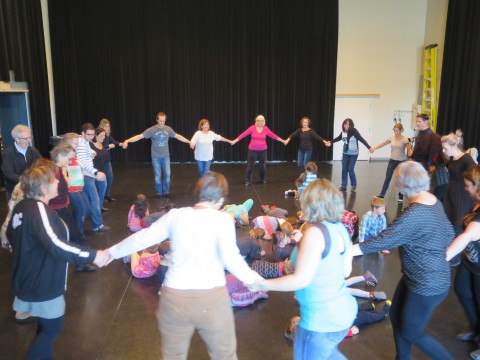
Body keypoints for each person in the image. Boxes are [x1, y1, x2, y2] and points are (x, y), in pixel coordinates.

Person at [106, 172, 263, 359]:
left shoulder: (175, 215)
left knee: (174, 355)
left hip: (174, 298)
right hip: (211, 298)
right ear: (221, 198)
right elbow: (232, 259)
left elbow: (142, 238)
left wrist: (110, 253)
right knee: (225, 355)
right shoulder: (223, 220)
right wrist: (253, 280)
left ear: (198, 193)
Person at [352, 161, 454, 360]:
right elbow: (449, 234)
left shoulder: (413, 214)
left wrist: (349, 250)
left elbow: (385, 239)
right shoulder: (433, 201)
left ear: (401, 186)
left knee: (412, 330)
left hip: (428, 283)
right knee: (398, 317)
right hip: (416, 276)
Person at [7, 164, 109, 360]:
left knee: (46, 327)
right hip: (42, 281)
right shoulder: (39, 209)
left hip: (27, 277)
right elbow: (56, 243)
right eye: (53, 179)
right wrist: (92, 255)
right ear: (43, 187)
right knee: (53, 328)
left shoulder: (22, 207)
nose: (57, 181)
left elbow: (12, 237)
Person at [250, 178, 357, 359]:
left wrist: (263, 284)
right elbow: (345, 271)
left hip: (320, 321)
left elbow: (301, 279)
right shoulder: (340, 229)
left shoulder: (314, 233)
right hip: (343, 314)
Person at [445, 165, 480, 360]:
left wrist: (444, 257)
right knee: (463, 290)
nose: (465, 188)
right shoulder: (474, 202)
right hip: (470, 261)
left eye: (468, 185)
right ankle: (475, 329)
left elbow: (467, 236)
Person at [123, 112, 193, 198]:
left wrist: (189, 141)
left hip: (166, 156)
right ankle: (159, 193)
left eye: (164, 121)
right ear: (157, 120)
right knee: (157, 176)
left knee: (168, 174)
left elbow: (177, 136)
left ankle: (166, 192)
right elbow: (139, 136)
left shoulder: (168, 129)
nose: (162, 123)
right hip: (156, 157)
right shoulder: (151, 130)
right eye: (160, 121)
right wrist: (127, 140)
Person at [231, 115, 287, 186]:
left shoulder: (266, 129)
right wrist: (235, 141)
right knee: (250, 166)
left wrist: (283, 141)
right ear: (256, 121)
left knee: (263, 166)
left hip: (263, 150)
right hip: (252, 150)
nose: (259, 122)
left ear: (263, 121)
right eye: (258, 120)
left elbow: (274, 136)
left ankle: (262, 179)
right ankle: (248, 181)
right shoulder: (252, 128)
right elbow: (243, 134)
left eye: (261, 120)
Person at [76, 124, 110, 232]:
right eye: (89, 135)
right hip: (86, 175)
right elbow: (83, 164)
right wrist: (96, 173)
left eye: (92, 134)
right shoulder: (80, 144)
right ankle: (97, 225)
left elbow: (86, 154)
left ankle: (92, 217)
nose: (91, 137)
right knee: (93, 200)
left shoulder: (86, 142)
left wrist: (92, 152)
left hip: (89, 173)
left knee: (89, 201)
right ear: (82, 134)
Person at [441, 132, 476, 235]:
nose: (444, 151)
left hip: (461, 198)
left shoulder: (466, 159)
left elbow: (476, 173)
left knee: (458, 227)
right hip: (451, 194)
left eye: (445, 148)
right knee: (447, 223)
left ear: (455, 146)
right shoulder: (452, 157)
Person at [328, 118, 373, 192]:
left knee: (350, 169)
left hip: (354, 154)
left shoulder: (354, 131)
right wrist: (330, 142)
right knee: (344, 169)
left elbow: (361, 139)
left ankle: (353, 185)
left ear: (351, 125)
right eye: (345, 124)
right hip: (345, 153)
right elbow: (338, 138)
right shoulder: (343, 132)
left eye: (348, 124)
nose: (346, 126)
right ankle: (344, 186)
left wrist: (369, 147)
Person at [372, 123, 412, 202]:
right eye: (394, 130)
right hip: (392, 161)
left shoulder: (404, 139)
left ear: (401, 130)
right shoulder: (392, 138)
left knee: (400, 179)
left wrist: (411, 154)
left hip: (401, 162)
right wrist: (375, 148)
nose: (395, 132)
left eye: (397, 130)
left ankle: (400, 196)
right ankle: (382, 195)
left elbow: (409, 149)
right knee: (387, 178)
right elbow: (383, 143)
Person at [1, 124, 42, 199]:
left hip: (32, 188)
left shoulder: (33, 150)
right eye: (26, 138)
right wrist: (26, 180)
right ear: (17, 139)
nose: (29, 140)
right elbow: (8, 173)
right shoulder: (8, 153)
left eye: (30, 137)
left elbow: (42, 165)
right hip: (15, 190)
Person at [99, 118, 127, 203]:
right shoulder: (99, 136)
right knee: (101, 179)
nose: (107, 128)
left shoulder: (107, 135)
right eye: (105, 126)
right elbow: (100, 148)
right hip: (100, 162)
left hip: (107, 161)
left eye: (108, 126)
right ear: (101, 127)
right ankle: (101, 196)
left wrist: (121, 144)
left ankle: (107, 195)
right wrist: (108, 147)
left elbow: (114, 142)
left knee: (110, 177)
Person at [90, 127, 109, 211]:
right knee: (93, 193)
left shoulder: (102, 145)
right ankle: (94, 208)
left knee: (102, 190)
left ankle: (99, 207)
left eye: (104, 136)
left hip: (101, 172)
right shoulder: (90, 145)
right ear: (96, 136)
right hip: (92, 173)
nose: (103, 137)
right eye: (101, 136)